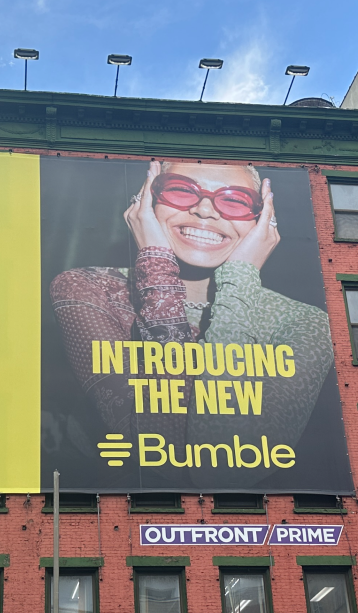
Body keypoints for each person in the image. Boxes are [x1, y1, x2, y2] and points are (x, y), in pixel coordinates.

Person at [50, 160, 333, 447]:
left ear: (263, 220)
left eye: (234, 200)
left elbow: (226, 459)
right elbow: (161, 446)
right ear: (146, 202)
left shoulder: (304, 324)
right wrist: (156, 264)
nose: (205, 211)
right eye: (182, 191)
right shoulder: (87, 287)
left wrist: (240, 279)